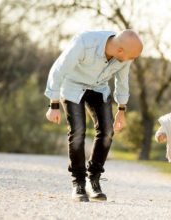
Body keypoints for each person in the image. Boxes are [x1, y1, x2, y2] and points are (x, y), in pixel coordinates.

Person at [44, 30, 143, 202]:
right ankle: (78, 183)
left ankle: (93, 180)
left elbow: (122, 81)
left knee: (107, 132)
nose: (130, 61)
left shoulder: (125, 55)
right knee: (78, 131)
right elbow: (58, 70)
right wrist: (53, 105)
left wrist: (121, 111)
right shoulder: (84, 43)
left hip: (99, 88)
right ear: (120, 51)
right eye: (130, 57)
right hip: (72, 86)